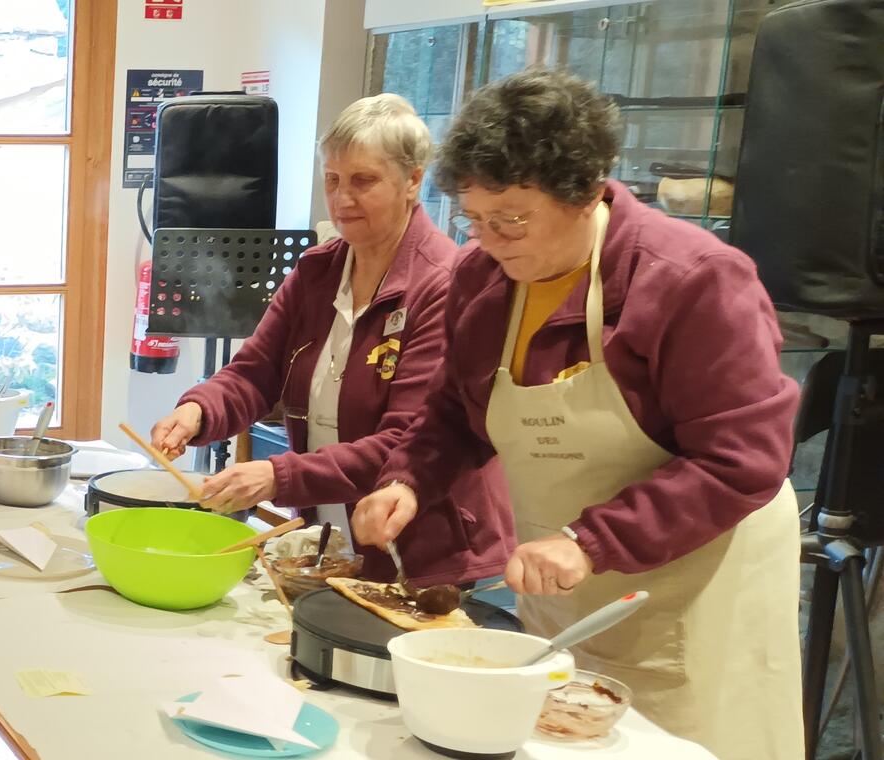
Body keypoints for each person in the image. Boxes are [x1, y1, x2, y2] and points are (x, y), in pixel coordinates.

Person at [352, 69, 803, 759]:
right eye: (474, 220)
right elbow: (451, 411)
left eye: (510, 220)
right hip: (560, 576)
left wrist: (590, 541)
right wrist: (405, 480)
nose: (490, 240)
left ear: (588, 190)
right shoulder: (482, 281)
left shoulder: (689, 281)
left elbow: (741, 461)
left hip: (692, 582)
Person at [151, 94, 514, 586]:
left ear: (413, 181)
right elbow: (256, 372)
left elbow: (406, 441)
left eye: (364, 181)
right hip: (336, 531)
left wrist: (277, 475)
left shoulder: (445, 284)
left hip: (427, 548)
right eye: (333, 180)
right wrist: (198, 411)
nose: (343, 199)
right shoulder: (318, 270)